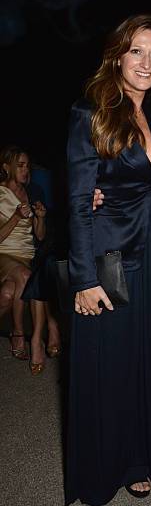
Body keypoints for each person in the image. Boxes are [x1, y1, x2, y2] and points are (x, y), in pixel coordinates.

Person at [65, 14, 151, 506]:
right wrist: (83, 278)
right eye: (137, 51)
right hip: (108, 257)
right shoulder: (90, 112)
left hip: (150, 252)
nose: (146, 62)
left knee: (142, 361)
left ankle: (139, 458)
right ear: (117, 54)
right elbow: (75, 200)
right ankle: (103, 467)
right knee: (107, 366)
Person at [0, 145, 61, 375]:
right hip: (4, 254)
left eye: (28, 166)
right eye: (20, 165)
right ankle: (28, 336)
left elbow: (40, 236)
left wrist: (41, 218)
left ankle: (21, 335)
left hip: (27, 255)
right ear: (7, 167)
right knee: (28, 277)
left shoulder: (34, 191)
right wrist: (16, 216)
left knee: (9, 292)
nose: (26, 170)